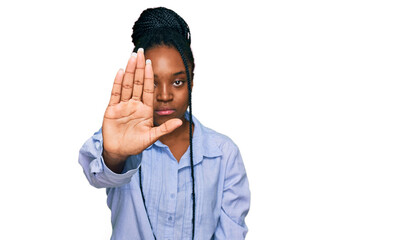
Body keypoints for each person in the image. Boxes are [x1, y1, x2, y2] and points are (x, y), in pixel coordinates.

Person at [78, 7, 250, 240]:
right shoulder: (119, 138)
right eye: (153, 82)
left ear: (192, 77)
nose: (165, 95)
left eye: (178, 82)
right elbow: (98, 175)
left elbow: (231, 233)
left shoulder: (223, 154)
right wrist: (115, 156)